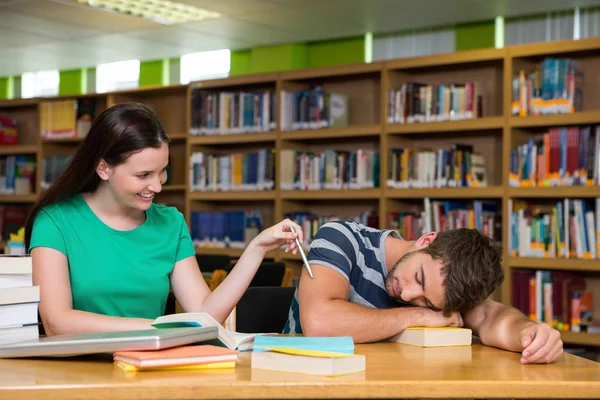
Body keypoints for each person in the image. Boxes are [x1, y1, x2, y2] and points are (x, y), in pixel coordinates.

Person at [25, 102, 304, 337]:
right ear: (103, 167)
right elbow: (56, 322)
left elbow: (204, 316)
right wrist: (161, 328)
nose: (157, 186)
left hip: (148, 367)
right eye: (143, 175)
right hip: (74, 375)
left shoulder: (169, 222)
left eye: (162, 172)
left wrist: (257, 249)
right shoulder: (55, 221)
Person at [284, 221, 563, 364]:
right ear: (425, 241)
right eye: (418, 277)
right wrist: (417, 314)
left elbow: (492, 316)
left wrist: (532, 335)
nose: (406, 294)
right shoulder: (341, 238)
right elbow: (319, 322)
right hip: (299, 379)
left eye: (425, 300)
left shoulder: (445, 288)